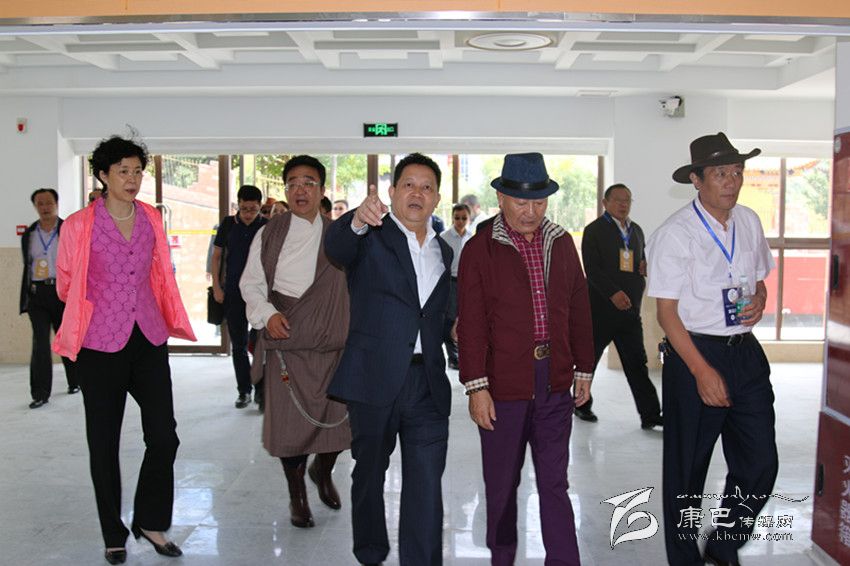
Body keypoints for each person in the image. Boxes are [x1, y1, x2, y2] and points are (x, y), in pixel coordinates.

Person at [53, 135, 196, 565]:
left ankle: (150, 521)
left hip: (148, 337)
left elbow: (157, 271)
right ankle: (113, 533)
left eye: (137, 172)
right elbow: (65, 285)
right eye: (122, 172)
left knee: (164, 435)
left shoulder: (150, 216)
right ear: (103, 175)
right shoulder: (78, 225)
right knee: (104, 442)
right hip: (100, 344)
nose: (132, 179)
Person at [457, 152, 594, 566]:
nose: (531, 211)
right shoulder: (480, 249)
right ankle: (502, 558)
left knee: (555, 482)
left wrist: (584, 367)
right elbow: (472, 323)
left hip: (554, 380)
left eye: (539, 201)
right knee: (501, 487)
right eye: (521, 202)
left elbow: (578, 307)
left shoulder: (562, 243)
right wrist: (476, 387)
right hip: (503, 384)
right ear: (501, 198)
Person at [647, 132, 776, 566]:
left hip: (745, 353)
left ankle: (723, 544)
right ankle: (685, 559)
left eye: (737, 172)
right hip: (694, 353)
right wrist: (702, 372)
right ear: (697, 179)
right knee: (687, 471)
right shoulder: (675, 234)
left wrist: (760, 299)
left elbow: (759, 279)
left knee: (760, 461)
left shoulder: (749, 221)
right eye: (721, 173)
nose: (731, 182)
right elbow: (667, 314)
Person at [325, 153, 453, 566]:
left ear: (437, 199)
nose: (417, 193)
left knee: (426, 483)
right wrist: (356, 220)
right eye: (409, 184)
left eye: (427, 187)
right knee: (369, 473)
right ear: (393, 191)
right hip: (373, 378)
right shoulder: (370, 236)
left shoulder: (444, 251)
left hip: (426, 384)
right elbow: (337, 246)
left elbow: (437, 315)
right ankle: (371, 552)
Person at [240, 155, 351, 529]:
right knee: (290, 429)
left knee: (338, 425)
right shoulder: (269, 233)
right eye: (293, 184)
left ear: (322, 189)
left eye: (308, 182)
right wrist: (267, 313)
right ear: (285, 190)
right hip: (287, 340)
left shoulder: (339, 235)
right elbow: (251, 284)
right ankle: (297, 493)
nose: (300, 190)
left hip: (333, 342)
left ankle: (323, 470)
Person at [578, 183, 662, 429]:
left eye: (627, 200)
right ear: (605, 203)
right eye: (618, 200)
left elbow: (639, 261)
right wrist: (613, 293)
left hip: (629, 312)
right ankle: (581, 404)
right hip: (600, 311)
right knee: (588, 362)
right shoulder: (594, 230)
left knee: (637, 363)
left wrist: (645, 266)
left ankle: (650, 415)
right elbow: (592, 269)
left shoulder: (636, 231)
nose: (623, 205)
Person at [20, 188, 78, 408]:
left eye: (48, 202)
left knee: (67, 339)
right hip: (38, 294)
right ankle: (40, 393)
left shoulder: (67, 230)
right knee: (40, 343)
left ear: (56, 204)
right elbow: (28, 265)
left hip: (62, 293)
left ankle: (75, 381)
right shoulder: (30, 234)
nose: (45, 207)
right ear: (35, 206)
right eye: (40, 203)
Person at [211, 185, 267, 408]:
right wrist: (217, 287)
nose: (248, 214)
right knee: (239, 345)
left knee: (261, 345)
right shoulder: (227, 224)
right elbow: (216, 256)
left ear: (260, 207)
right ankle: (244, 391)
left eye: (253, 209)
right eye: (244, 209)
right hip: (233, 292)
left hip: (260, 294)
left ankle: (261, 392)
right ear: (238, 205)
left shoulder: (267, 226)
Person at [440, 203, 472, 370]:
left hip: (468, 282)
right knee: (450, 318)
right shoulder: (444, 237)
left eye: (464, 218)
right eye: (457, 218)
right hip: (450, 282)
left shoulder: (472, 237)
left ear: (469, 218)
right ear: (452, 218)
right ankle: (453, 357)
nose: (460, 221)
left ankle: (461, 355)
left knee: (465, 317)